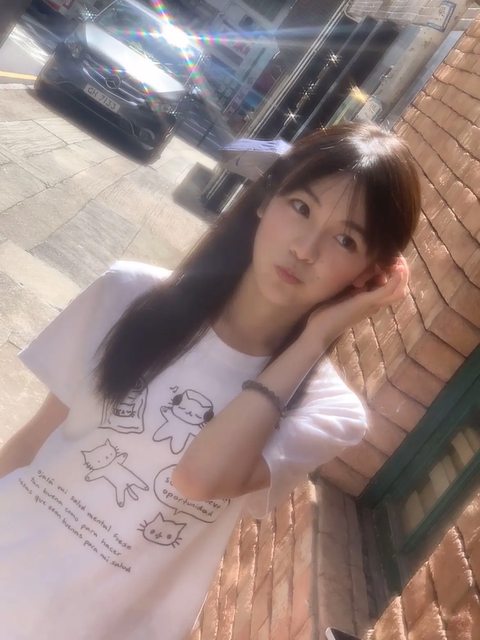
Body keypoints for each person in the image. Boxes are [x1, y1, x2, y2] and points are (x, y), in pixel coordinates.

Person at [0, 122, 420, 640]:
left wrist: (314, 340)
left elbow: (199, 478)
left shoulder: (326, 410)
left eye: (344, 239)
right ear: (267, 199)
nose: (306, 249)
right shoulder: (129, 293)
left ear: (368, 274)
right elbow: (34, 441)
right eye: (301, 207)